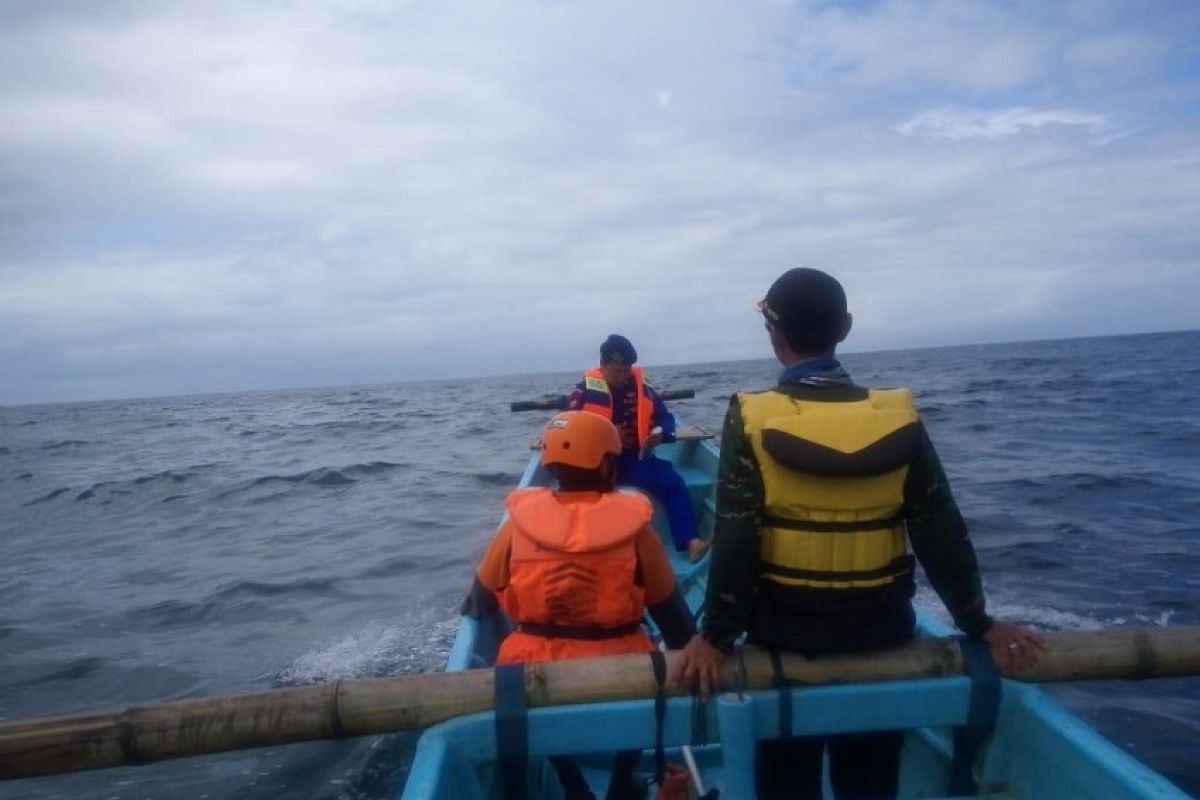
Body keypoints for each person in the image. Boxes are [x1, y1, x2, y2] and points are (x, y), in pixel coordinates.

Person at [671, 268, 1046, 800]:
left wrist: (715, 638)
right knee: (869, 782)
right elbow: (939, 528)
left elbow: (737, 535)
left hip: (784, 637)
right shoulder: (898, 415)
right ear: (845, 328)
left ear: (773, 334)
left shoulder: (751, 416)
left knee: (787, 781)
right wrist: (976, 620)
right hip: (881, 631)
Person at [463, 411, 694, 800]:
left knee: (516, 670)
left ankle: (573, 785)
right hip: (623, 677)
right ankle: (621, 783)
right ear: (607, 464)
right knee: (653, 664)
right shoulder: (638, 531)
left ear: (550, 462)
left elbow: (481, 603)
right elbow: (676, 627)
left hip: (535, 679)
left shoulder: (516, 526)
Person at [568, 334, 709, 562]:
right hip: (596, 464)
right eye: (617, 371)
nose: (624, 377)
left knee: (673, 482)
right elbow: (566, 426)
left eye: (627, 370)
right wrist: (608, 434)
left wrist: (662, 433)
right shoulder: (583, 390)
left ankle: (692, 543)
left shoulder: (642, 386)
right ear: (602, 365)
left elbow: (665, 417)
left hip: (635, 461)